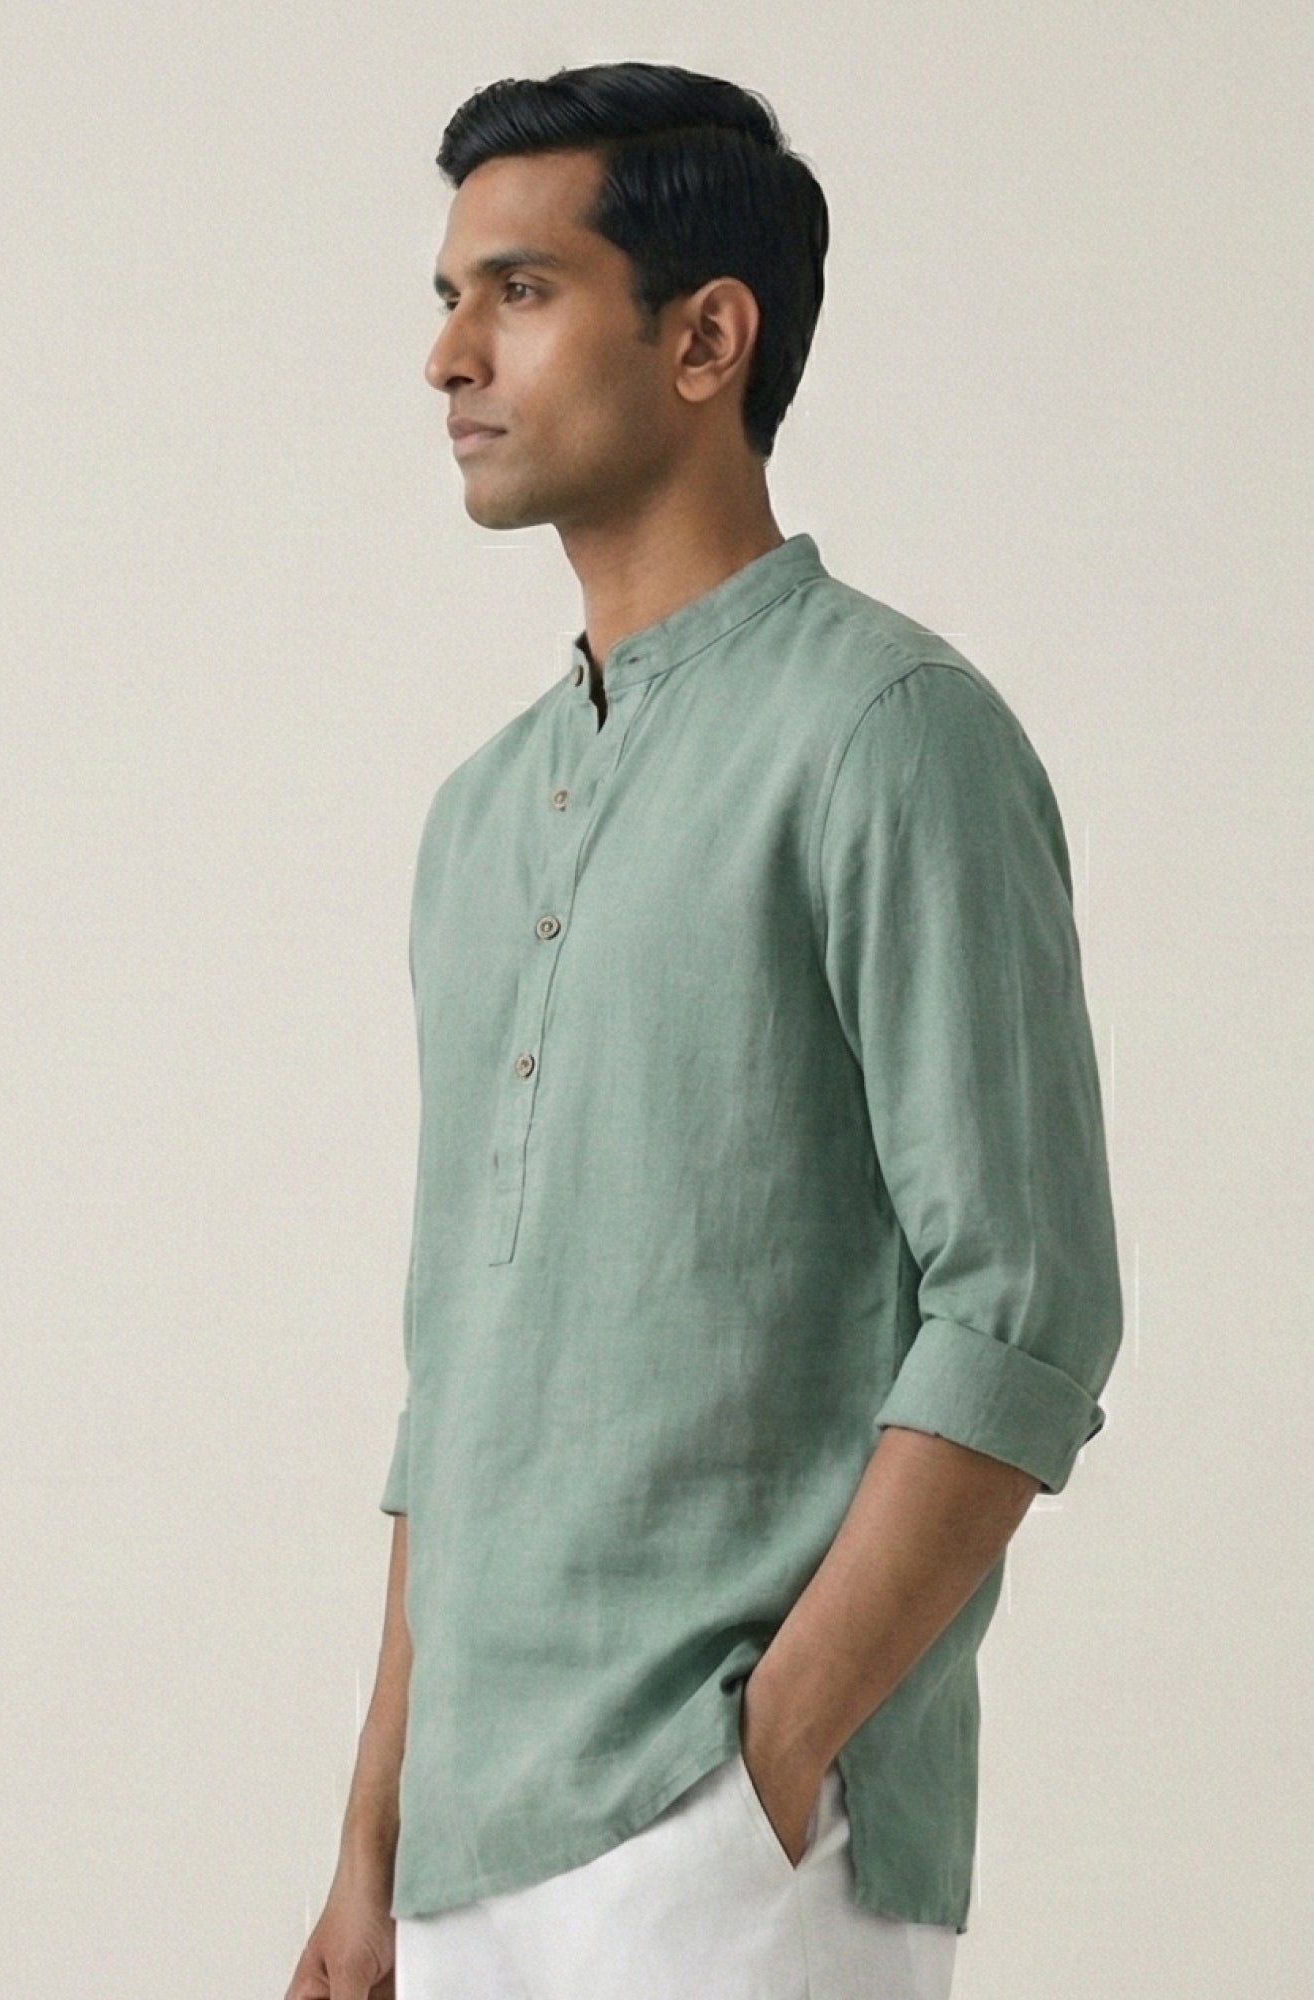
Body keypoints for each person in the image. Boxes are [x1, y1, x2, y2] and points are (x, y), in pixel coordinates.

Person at [285, 60, 1123, 2000]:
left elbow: (1024, 1304)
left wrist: (765, 1761)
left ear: (704, 338)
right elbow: (459, 1379)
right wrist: (368, 1853)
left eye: (518, 290)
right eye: (447, 298)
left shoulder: (887, 732)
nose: (448, 358)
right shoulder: (478, 816)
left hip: (727, 1852)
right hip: (463, 1861)